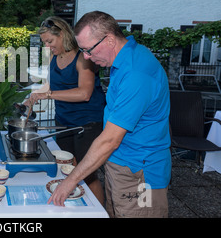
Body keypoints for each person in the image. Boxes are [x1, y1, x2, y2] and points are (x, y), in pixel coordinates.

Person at [48, 11, 171, 218]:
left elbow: (109, 140)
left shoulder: (136, 74)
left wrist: (70, 181)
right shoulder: (124, 58)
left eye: (88, 50)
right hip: (122, 166)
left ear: (110, 40)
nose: (86, 57)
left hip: (140, 174)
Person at [24, 16, 106, 205]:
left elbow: (84, 93)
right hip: (64, 121)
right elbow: (50, 86)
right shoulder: (54, 56)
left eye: (50, 41)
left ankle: (102, 213)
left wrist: (49, 95)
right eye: (45, 42)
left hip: (88, 123)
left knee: (87, 175)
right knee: (66, 168)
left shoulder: (83, 58)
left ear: (62, 34)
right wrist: (35, 96)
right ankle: (77, 208)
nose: (47, 47)